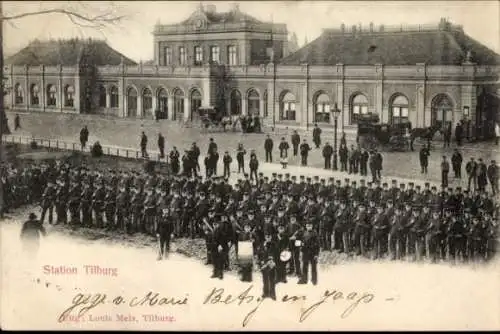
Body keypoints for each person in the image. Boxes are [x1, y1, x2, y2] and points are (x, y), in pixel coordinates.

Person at [257, 231, 277, 300]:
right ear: (265, 237)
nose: (268, 238)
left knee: (272, 279)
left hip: (271, 264)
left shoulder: (274, 244)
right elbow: (259, 253)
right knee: (265, 279)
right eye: (266, 236)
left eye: (269, 236)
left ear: (271, 237)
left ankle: (272, 294)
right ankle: (265, 293)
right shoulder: (262, 244)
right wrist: (260, 262)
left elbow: (276, 253)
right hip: (264, 264)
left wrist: (273, 260)